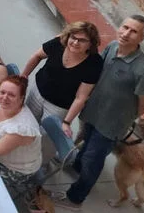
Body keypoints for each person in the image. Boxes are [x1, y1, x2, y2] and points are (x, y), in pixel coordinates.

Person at [57, 16, 144, 210]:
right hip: (93, 112)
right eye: (125, 27)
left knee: (92, 160)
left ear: (141, 38)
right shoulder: (112, 46)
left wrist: (124, 119)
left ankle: (75, 198)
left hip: (111, 126)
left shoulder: (143, 71)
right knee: (85, 144)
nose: (126, 33)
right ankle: (77, 167)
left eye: (134, 31)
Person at [21, 21, 103, 161]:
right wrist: (23, 76)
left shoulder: (94, 63)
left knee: (47, 140)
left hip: (59, 107)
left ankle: (40, 164)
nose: (75, 42)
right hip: (37, 93)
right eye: (73, 37)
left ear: (91, 44)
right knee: (26, 125)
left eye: (82, 40)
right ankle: (20, 156)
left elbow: (81, 97)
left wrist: (66, 122)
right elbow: (37, 56)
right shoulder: (59, 43)